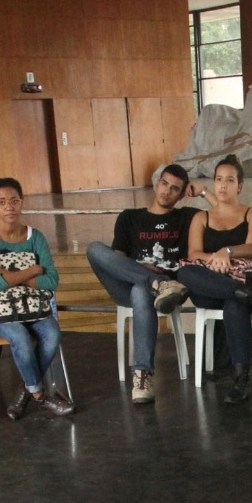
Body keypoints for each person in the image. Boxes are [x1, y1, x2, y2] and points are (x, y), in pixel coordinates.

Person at [86, 163, 197, 404]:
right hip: (128, 282)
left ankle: (142, 375)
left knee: (140, 292)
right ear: (157, 184)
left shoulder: (187, 217)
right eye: (164, 184)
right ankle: (154, 282)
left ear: (182, 195)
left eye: (175, 188)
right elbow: (118, 258)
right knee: (95, 249)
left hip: (168, 292)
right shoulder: (129, 217)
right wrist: (141, 270)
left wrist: (203, 192)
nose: (167, 191)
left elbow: (220, 217)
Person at [173, 155, 252, 405]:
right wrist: (215, 260)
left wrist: (226, 252)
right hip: (210, 286)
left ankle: (242, 378)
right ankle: (246, 294)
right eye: (219, 180)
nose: (223, 185)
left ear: (239, 185)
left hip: (245, 278)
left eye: (230, 180)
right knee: (184, 272)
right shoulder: (201, 218)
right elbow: (194, 254)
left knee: (234, 303)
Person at [0, 178, 72, 421]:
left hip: (33, 308)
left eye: (15, 201)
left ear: (22, 203)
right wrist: (32, 270)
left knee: (52, 334)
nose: (9, 207)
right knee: (19, 336)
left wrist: (6, 273)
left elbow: (52, 281)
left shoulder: (35, 236)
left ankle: (25, 390)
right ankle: (40, 395)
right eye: (2, 202)